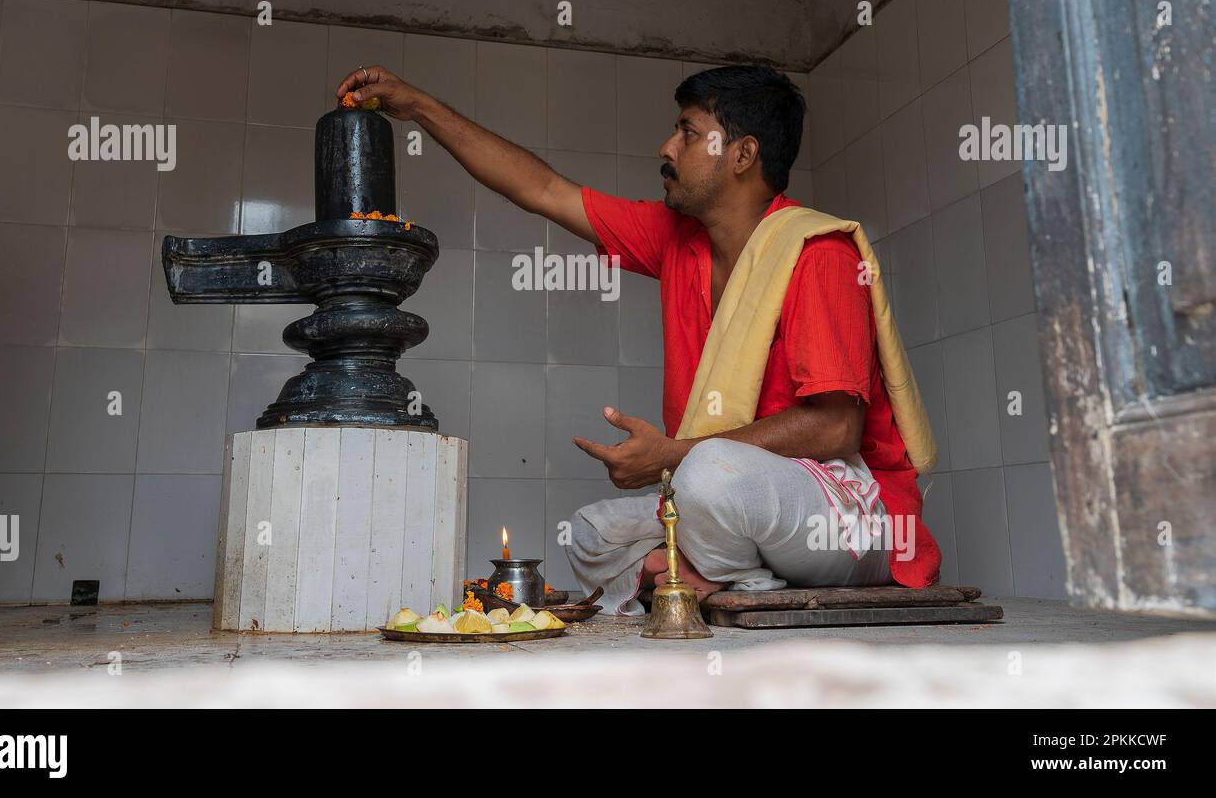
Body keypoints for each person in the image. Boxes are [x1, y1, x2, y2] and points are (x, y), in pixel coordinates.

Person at [335, 64, 939, 615]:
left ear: (742, 154)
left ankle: (720, 576)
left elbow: (837, 429)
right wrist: (419, 108)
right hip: (738, 502)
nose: (666, 148)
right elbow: (543, 190)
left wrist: (673, 456)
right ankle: (714, 572)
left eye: (686, 130)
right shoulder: (680, 239)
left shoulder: (819, 253)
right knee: (595, 533)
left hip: (850, 517)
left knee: (707, 476)